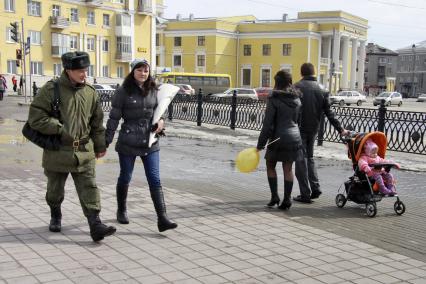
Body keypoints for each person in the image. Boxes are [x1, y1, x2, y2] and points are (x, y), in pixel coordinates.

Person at [27, 51, 116, 242]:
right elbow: (35, 118)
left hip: (84, 151)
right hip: (58, 151)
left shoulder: (90, 92)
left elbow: (97, 123)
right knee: (55, 190)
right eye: (80, 71)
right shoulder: (51, 90)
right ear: (68, 70)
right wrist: (59, 128)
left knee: (89, 187)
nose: (84, 74)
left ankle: (95, 224)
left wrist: (100, 145)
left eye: (86, 70)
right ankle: (55, 214)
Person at [105, 58, 177, 232]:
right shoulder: (123, 91)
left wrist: (161, 123)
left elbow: (160, 112)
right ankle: (121, 209)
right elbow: (114, 117)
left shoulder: (154, 89)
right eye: (139, 70)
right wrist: (105, 141)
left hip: (150, 141)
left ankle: (162, 218)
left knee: (154, 178)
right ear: (133, 71)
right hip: (128, 141)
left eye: (146, 70)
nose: (143, 74)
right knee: (125, 176)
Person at [294, 63, 348, 203]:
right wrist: (340, 129)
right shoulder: (323, 89)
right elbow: (329, 113)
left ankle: (305, 194)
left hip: (298, 129)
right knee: (310, 157)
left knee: (300, 160)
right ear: (314, 72)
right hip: (314, 129)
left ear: (302, 73)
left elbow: (292, 109)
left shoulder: (296, 87)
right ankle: (315, 187)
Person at [256, 70, 304, 210]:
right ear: (289, 82)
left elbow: (267, 124)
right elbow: (297, 121)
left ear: (277, 82)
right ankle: (287, 199)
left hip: (277, 137)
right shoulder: (297, 99)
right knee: (288, 168)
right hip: (295, 137)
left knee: (270, 165)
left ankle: (274, 196)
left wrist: (260, 144)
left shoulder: (274, 99)